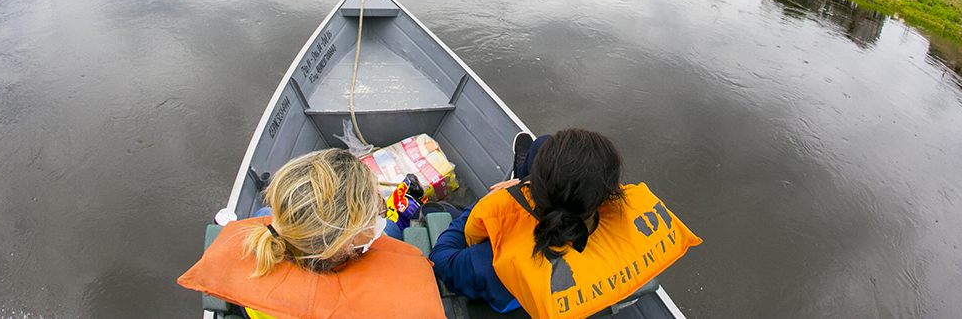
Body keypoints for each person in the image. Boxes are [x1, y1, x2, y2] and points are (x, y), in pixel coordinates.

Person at [430, 129, 701, 319]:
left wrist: (483, 207)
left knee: (442, 212)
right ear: (607, 196)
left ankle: (510, 181)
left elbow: (441, 259)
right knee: (543, 144)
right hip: (585, 270)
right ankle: (522, 170)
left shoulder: (489, 261)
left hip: (511, 299)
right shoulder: (620, 219)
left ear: (532, 191)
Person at [178, 148, 444, 319]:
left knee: (262, 214)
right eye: (375, 213)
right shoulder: (388, 303)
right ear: (346, 242)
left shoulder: (264, 246)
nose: (379, 215)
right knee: (393, 230)